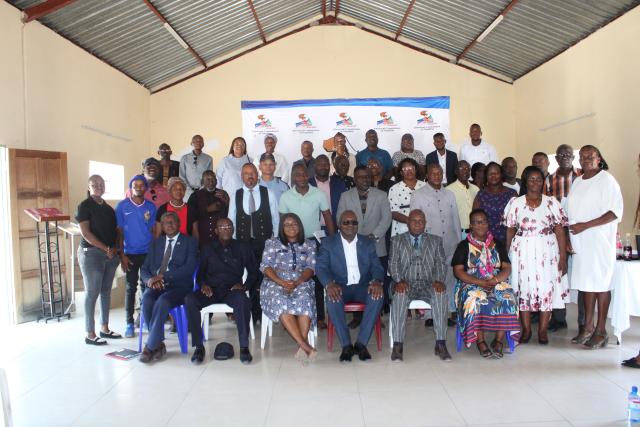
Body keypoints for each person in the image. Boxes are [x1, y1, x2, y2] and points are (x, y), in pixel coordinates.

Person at [504, 166, 568, 344]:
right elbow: (509, 230)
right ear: (525, 181)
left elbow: (560, 231)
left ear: (543, 182)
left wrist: (562, 257)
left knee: (546, 289)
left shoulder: (552, 202)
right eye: (531, 179)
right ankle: (526, 330)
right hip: (521, 252)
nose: (535, 182)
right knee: (524, 289)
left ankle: (542, 331)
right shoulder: (515, 203)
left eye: (539, 179)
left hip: (547, 251)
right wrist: (506, 257)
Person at [567, 145, 623, 349]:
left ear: (599, 158)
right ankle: (587, 327)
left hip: (600, 241)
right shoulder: (578, 181)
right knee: (586, 285)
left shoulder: (607, 180)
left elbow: (615, 212)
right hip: (581, 243)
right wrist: (570, 236)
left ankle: (601, 330)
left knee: (601, 285)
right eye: (582, 156)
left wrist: (585, 225)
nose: (585, 159)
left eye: (590, 156)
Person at [185, 218, 259, 364]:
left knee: (243, 301)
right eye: (222, 227)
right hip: (211, 290)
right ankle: (199, 347)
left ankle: (244, 347)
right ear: (216, 230)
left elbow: (253, 272)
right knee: (190, 299)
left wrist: (244, 286)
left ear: (233, 229)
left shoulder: (242, 247)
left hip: (232, 289)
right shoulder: (207, 248)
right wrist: (203, 284)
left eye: (229, 226)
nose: (226, 229)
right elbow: (200, 274)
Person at [316, 210, 385, 362]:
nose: (350, 225)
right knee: (332, 299)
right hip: (340, 286)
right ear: (339, 225)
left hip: (363, 286)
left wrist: (377, 281)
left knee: (377, 296)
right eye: (346, 222)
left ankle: (361, 344)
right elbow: (320, 267)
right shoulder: (328, 243)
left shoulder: (367, 242)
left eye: (354, 222)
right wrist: (329, 284)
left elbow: (377, 267)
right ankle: (346, 345)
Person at [452, 209, 519, 358]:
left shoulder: (498, 244)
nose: (480, 225)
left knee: (507, 297)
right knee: (474, 300)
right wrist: (479, 282)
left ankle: (498, 341)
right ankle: (480, 341)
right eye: (476, 222)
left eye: (483, 221)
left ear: (488, 224)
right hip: (470, 282)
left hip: (496, 281)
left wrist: (495, 280)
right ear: (471, 226)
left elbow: (507, 267)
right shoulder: (464, 246)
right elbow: (458, 271)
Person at [388, 210, 451, 361]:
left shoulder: (435, 240)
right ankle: (398, 345)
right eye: (414, 220)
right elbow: (393, 263)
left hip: (428, 283)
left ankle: (440, 343)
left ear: (425, 224)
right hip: (405, 283)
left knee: (440, 294)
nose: (417, 223)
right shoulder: (397, 240)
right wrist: (398, 280)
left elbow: (441, 264)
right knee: (400, 295)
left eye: (421, 221)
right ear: (408, 222)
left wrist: (438, 280)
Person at [139, 212, 198, 363]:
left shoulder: (190, 242)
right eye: (166, 223)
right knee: (146, 298)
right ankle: (158, 343)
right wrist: (150, 280)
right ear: (162, 226)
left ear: (179, 224)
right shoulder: (156, 243)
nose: (169, 225)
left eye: (173, 222)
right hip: (156, 284)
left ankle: (150, 346)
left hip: (179, 286)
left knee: (163, 301)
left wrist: (163, 277)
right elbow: (144, 269)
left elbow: (189, 269)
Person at [337, 166, 392, 324]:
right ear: (354, 179)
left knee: (376, 281)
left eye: (367, 176)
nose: (364, 179)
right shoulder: (345, 196)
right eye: (360, 177)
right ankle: (357, 317)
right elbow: (340, 218)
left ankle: (376, 316)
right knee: (357, 281)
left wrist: (373, 235)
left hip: (376, 244)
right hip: (352, 246)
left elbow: (386, 218)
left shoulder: (381, 195)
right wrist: (353, 237)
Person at [260, 213, 318, 362]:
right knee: (281, 300)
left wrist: (297, 282)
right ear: (281, 227)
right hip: (275, 282)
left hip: (301, 281)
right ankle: (305, 346)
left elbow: (310, 268)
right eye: (287, 224)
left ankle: (302, 347)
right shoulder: (272, 243)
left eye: (294, 224)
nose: (291, 227)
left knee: (305, 299)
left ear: (300, 226)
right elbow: (266, 266)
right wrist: (282, 282)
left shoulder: (309, 244)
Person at [410, 164, 461, 322]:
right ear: (427, 174)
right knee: (432, 279)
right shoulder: (418, 195)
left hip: (451, 243)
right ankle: (430, 314)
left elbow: (455, 219)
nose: (437, 176)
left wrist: (459, 242)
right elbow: (415, 221)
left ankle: (451, 310)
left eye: (439, 173)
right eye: (433, 173)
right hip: (429, 245)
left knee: (450, 277)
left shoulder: (450, 194)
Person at [228, 163, 279, 320]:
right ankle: (245, 311)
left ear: (257, 175)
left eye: (252, 173)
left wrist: (274, 241)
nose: (249, 177)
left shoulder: (268, 193)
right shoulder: (236, 195)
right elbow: (232, 220)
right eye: (246, 174)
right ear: (241, 176)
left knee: (261, 277)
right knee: (244, 277)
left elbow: (276, 218)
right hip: (242, 244)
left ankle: (260, 312)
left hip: (264, 243)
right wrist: (233, 244)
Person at [76, 175, 121, 345]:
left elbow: (116, 231)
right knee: (92, 292)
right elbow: (86, 233)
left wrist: (114, 250)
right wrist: (106, 249)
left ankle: (105, 328)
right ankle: (90, 333)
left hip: (109, 255)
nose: (98, 187)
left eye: (101, 184)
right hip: (92, 254)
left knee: (106, 292)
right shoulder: (84, 206)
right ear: (89, 186)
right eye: (94, 184)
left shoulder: (109, 209)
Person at [116, 175, 157, 338]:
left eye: (142, 185)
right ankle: (129, 323)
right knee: (130, 288)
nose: (138, 187)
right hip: (130, 254)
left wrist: (154, 253)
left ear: (145, 188)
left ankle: (145, 319)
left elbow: (153, 230)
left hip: (147, 253)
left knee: (146, 287)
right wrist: (122, 255)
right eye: (135, 185)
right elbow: (119, 232)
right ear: (131, 188)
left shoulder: (151, 207)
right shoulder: (122, 206)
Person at [547, 144, 582, 332]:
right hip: (557, 234)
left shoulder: (582, 177)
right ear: (556, 158)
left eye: (568, 154)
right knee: (558, 274)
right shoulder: (549, 180)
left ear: (573, 157)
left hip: (580, 232)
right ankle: (559, 318)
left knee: (582, 275)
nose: (565, 157)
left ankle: (584, 322)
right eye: (561, 154)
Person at [472, 162, 517, 244]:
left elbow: (517, 221)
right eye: (490, 174)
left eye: (496, 173)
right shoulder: (480, 195)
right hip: (485, 241)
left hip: (508, 240)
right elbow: (474, 220)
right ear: (486, 176)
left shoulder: (512, 194)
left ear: (501, 175)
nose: (493, 176)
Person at [187, 170, 229, 248]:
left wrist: (227, 202)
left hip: (218, 237)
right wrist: (207, 210)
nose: (211, 181)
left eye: (213, 179)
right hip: (201, 236)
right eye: (208, 179)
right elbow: (190, 216)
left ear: (216, 181)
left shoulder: (223, 194)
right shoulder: (195, 196)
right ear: (202, 181)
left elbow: (228, 214)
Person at [388, 158, 426, 237]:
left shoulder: (425, 186)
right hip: (402, 229)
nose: (409, 171)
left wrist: (419, 223)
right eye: (405, 169)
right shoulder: (394, 189)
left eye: (411, 168)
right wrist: (410, 221)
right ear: (401, 172)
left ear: (416, 169)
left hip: (424, 227)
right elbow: (393, 212)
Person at [309, 154, 348, 227]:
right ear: (314, 166)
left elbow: (345, 206)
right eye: (320, 164)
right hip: (313, 229)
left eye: (325, 164)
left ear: (330, 166)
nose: (323, 167)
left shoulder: (339, 184)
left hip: (335, 227)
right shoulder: (308, 185)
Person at [447, 161, 479, 238]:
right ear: (456, 171)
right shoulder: (449, 190)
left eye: (468, 168)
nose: (465, 171)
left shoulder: (476, 189)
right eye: (462, 168)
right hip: (458, 233)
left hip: (475, 232)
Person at [179, 134, 213, 201]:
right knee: (189, 210)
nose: (198, 143)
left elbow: (209, 176)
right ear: (191, 143)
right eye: (195, 141)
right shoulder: (184, 158)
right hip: (187, 193)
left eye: (200, 141)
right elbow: (182, 176)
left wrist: (202, 189)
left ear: (203, 144)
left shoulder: (208, 158)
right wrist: (189, 190)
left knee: (202, 210)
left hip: (203, 192)